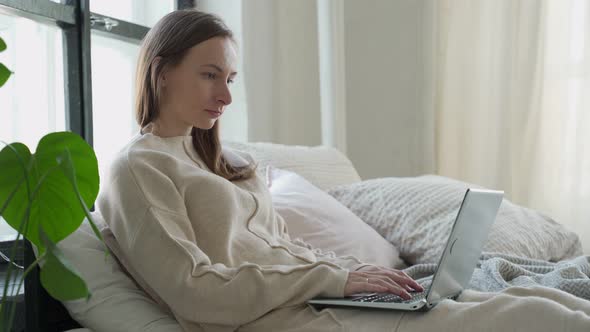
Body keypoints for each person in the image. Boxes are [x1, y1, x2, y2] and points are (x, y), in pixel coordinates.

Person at [97, 9, 590, 332]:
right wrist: (335, 281)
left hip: (317, 303)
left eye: (229, 79)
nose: (226, 96)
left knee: (548, 302)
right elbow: (193, 291)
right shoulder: (138, 169)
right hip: (280, 320)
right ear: (161, 72)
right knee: (538, 316)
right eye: (210, 76)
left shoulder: (220, 162)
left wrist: (355, 274)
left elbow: (288, 249)